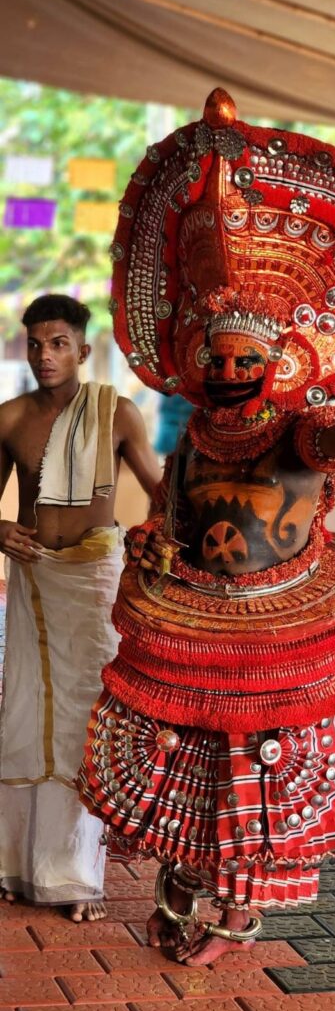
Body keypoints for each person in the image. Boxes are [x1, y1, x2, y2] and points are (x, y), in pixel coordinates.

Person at [77, 89, 335, 961]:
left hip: (282, 622)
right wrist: (153, 541)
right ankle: (181, 886)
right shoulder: (195, 436)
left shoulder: (300, 428)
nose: (231, 369)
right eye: (218, 356)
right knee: (188, 762)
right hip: (192, 611)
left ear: (279, 364)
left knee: (262, 771)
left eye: (248, 358)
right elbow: (170, 508)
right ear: (196, 359)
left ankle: (238, 914)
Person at [0, 293, 161, 921]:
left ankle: (76, 873)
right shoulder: (11, 418)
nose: (46, 355)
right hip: (35, 580)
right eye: (36, 344)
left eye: (59, 343)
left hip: (95, 578)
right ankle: (16, 864)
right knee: (26, 712)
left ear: (83, 350)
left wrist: (158, 545)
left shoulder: (116, 413)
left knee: (87, 716)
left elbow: (159, 496)